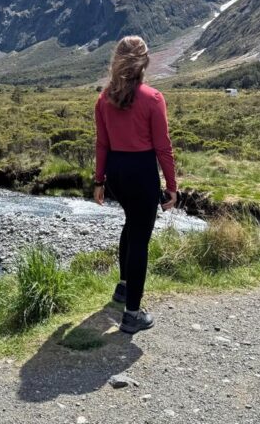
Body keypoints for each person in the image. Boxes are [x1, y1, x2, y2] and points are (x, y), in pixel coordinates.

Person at [92, 35, 177, 334]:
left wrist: (99, 181)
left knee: (131, 224)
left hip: (116, 172)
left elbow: (102, 144)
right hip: (141, 172)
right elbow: (163, 148)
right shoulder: (153, 98)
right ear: (144, 62)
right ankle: (132, 314)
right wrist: (172, 185)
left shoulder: (104, 99)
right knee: (140, 237)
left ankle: (124, 287)